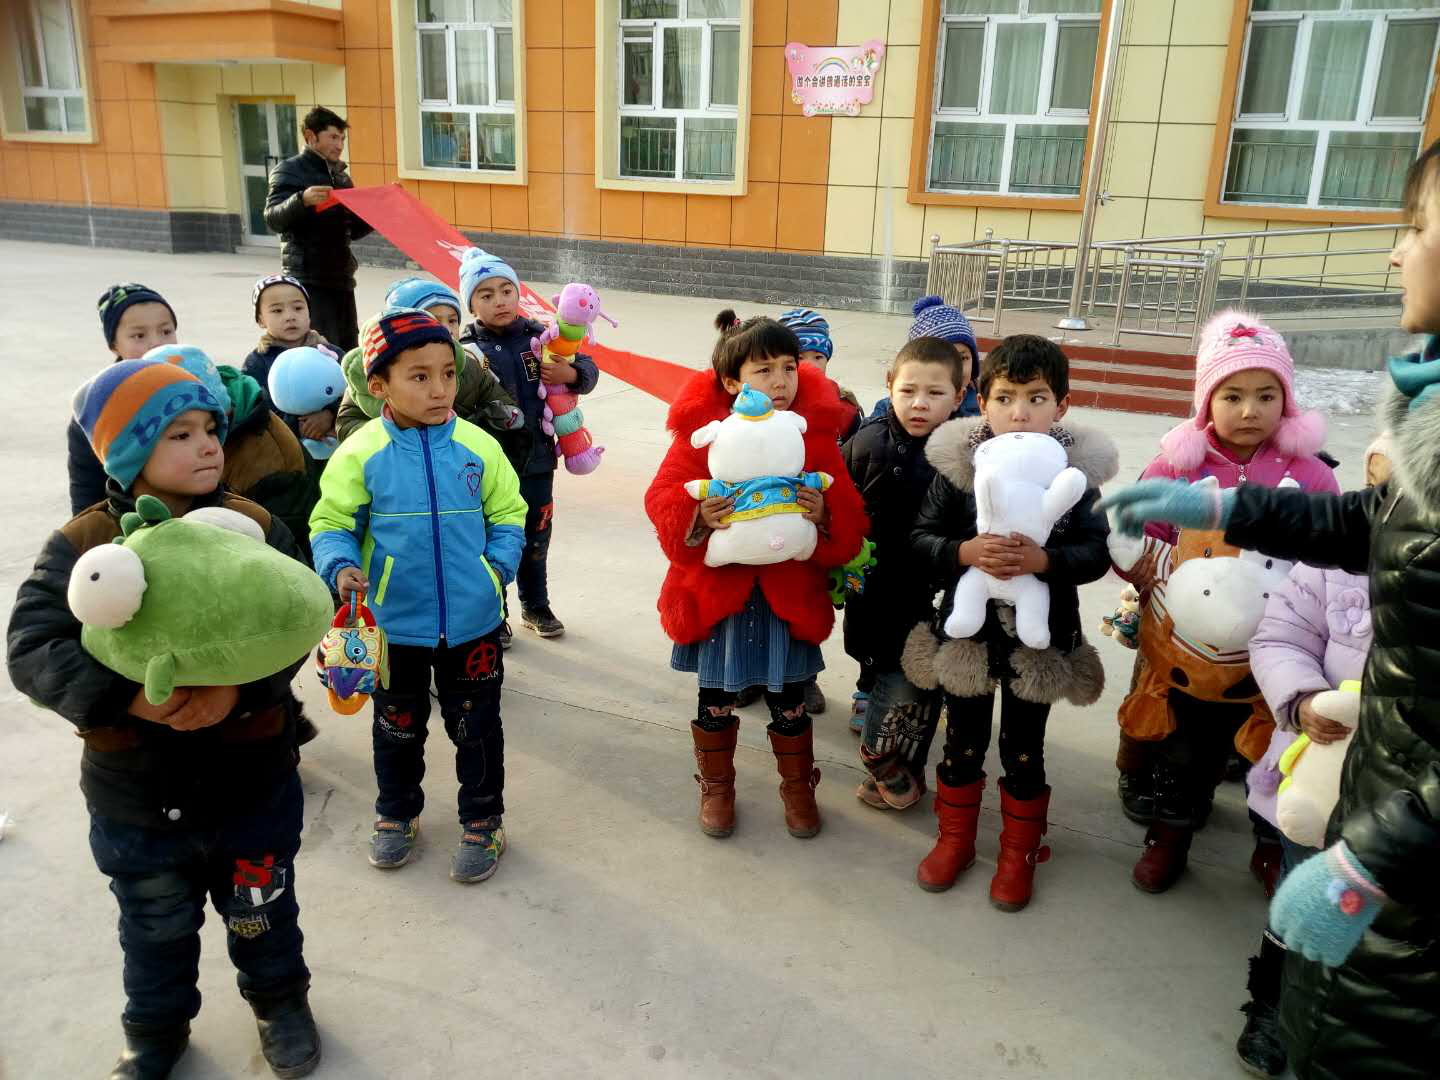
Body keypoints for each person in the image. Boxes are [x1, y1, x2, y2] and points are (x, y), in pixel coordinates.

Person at [1095, 139, 1440, 1080]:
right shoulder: (1429, 425)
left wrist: (1378, 852)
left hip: (1403, 836)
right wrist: (1215, 507)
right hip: (1373, 786)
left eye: (1417, 227)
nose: (1396, 252)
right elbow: (1368, 524)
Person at [7, 360, 321, 1080]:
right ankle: (155, 1029)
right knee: (154, 926)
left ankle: (280, 1001)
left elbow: (297, 618)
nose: (207, 445)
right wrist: (127, 697)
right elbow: (32, 646)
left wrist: (238, 692)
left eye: (210, 428)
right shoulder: (88, 543)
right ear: (127, 454)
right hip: (136, 794)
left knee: (263, 910)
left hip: (251, 780)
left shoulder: (251, 527)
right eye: (179, 434)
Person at [1112, 310, 1338, 895]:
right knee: (1182, 742)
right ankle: (1170, 832)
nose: (1249, 410)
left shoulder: (1311, 475)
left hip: (1274, 648)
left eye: (1266, 395)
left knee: (1271, 746)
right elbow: (1141, 540)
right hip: (1188, 648)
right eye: (1232, 396)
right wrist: (1138, 573)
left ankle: (1268, 841)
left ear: (1286, 402)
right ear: (1206, 400)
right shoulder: (1175, 467)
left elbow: (1329, 554)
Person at [309, 307, 527, 882]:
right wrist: (339, 565)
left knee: (477, 728)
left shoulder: (479, 446)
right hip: (393, 625)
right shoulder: (361, 453)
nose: (439, 389)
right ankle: (396, 812)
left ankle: (483, 819)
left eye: (448, 374)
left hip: (473, 622)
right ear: (379, 385)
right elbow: (331, 522)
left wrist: (495, 570)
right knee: (396, 725)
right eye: (420, 376)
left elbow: (509, 513)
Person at [905, 334, 1115, 911]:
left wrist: (1046, 561)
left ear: (1061, 405)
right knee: (963, 738)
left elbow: (1096, 552)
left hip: (1038, 640)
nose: (1019, 412)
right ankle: (955, 839)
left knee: (1024, 744)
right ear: (983, 401)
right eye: (1005, 398)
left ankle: (1018, 851)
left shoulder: (1074, 476)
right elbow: (920, 539)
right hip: (969, 633)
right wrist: (963, 552)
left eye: (1036, 398)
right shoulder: (960, 469)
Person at [644, 312, 868, 840]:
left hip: (786, 596)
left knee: (790, 700)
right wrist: (697, 515)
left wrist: (825, 515)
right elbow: (663, 494)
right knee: (715, 698)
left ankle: (798, 787)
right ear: (731, 382)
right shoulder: (706, 432)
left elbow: (848, 509)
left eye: (788, 367)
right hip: (721, 598)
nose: (781, 381)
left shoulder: (811, 432)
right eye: (763, 370)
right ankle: (717, 787)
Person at [1231, 437, 1387, 1077]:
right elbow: (1280, 635)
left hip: (1408, 788)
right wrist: (1302, 698)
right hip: (1321, 771)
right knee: (1307, 891)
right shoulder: (1332, 565)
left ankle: (1356, 1010)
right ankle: (1277, 998)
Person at [841, 336, 970, 811]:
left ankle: (896, 770)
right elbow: (841, 511)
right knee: (888, 682)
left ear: (959, 395)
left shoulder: (967, 454)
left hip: (932, 597)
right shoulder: (866, 443)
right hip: (874, 594)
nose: (920, 404)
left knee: (918, 689)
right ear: (889, 385)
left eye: (935, 393)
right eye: (908, 390)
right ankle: (883, 764)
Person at [458, 247, 598, 645]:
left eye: (506, 291)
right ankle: (493, 614)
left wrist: (570, 373)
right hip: (488, 466)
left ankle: (536, 605)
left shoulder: (541, 336)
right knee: (490, 537)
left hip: (537, 461)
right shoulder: (466, 349)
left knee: (536, 534)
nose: (499, 301)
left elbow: (588, 370)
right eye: (486, 295)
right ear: (471, 304)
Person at [263, 107, 373, 352]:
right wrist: (301, 200)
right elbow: (273, 218)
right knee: (319, 347)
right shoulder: (289, 170)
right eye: (333, 137)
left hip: (342, 278)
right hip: (308, 278)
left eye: (342, 138)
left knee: (347, 346)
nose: (339, 145)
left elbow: (353, 230)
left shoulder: (341, 177)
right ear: (311, 136)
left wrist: (378, 212)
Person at [69, 283, 179, 514]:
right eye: (139, 335)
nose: (157, 343)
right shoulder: (96, 407)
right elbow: (86, 490)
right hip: (130, 519)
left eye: (166, 331)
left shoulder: (196, 387)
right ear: (114, 345)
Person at [241, 273, 337, 445]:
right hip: (285, 448)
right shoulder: (257, 362)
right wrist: (300, 425)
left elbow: (353, 392)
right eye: (277, 310)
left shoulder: (328, 352)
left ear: (309, 313)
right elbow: (256, 410)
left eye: (298, 308)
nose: (290, 316)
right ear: (261, 320)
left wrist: (330, 414)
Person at [869, 296, 983, 422]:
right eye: (943, 359)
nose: (957, 368)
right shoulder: (887, 411)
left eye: (963, 358)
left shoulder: (985, 408)